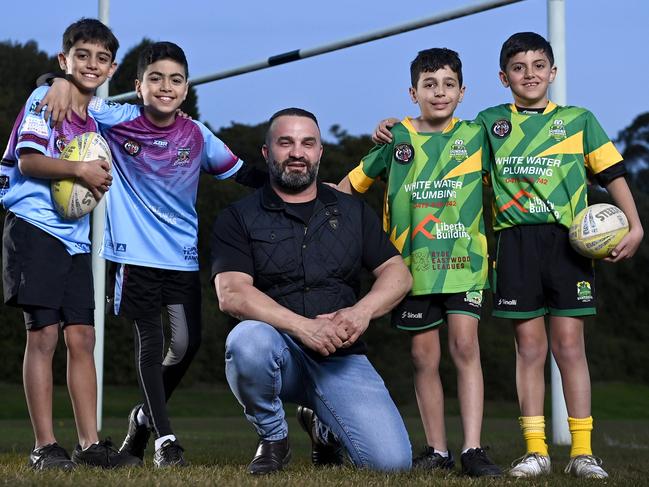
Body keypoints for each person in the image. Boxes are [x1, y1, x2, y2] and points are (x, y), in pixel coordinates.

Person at [372, 33, 644, 479]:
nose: (530, 74)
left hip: (568, 245)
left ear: (553, 73)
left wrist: (635, 224)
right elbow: (435, 131)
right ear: (503, 77)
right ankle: (535, 450)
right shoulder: (486, 124)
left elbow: (612, 173)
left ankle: (582, 452)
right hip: (514, 244)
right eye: (519, 67)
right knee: (529, 348)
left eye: (540, 66)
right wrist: (391, 128)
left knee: (570, 346)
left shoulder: (579, 120)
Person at [41, 41, 264, 468]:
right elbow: (73, 95)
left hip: (181, 257)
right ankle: (167, 440)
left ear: (186, 88)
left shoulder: (197, 135)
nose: (166, 87)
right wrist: (51, 82)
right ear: (138, 86)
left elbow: (244, 173)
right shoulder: (115, 119)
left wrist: (303, 187)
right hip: (133, 256)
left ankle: (142, 419)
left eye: (175, 80)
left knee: (186, 344)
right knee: (151, 342)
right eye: (156, 78)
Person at [211, 107, 413, 475]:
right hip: (279, 350)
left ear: (319, 151)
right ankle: (274, 437)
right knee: (247, 341)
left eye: (307, 143)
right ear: (266, 152)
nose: (297, 152)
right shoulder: (238, 216)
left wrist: (360, 312)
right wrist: (303, 327)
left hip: (339, 355)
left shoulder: (351, 211)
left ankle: (322, 427)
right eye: (285, 143)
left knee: (391, 464)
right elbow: (232, 293)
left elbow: (397, 273)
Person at [338, 48, 501, 478]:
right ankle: (437, 450)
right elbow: (347, 188)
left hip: (466, 262)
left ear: (463, 92)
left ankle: (472, 449)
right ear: (413, 93)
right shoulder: (397, 140)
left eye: (449, 84)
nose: (439, 92)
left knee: (466, 348)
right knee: (423, 357)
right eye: (430, 85)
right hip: (412, 269)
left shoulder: (477, 135)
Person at [0, 18, 141, 470]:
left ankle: (90, 444)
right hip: (34, 227)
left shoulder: (95, 117)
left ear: (112, 68)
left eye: (102, 58)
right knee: (43, 335)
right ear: (65, 59)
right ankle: (45, 445)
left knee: (82, 336)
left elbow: (147, 116)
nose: (91, 64)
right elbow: (29, 160)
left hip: (75, 241)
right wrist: (80, 171)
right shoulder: (47, 98)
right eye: (82, 56)